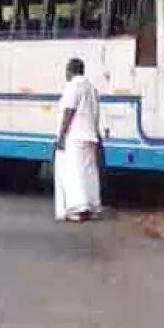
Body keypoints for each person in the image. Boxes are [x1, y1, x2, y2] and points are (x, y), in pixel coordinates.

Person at [53, 58, 104, 222]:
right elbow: (95, 114)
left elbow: (69, 111)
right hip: (90, 136)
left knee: (75, 173)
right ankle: (92, 206)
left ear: (70, 71)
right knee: (89, 172)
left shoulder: (74, 86)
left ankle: (78, 209)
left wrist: (61, 136)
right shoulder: (91, 88)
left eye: (67, 71)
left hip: (76, 136)